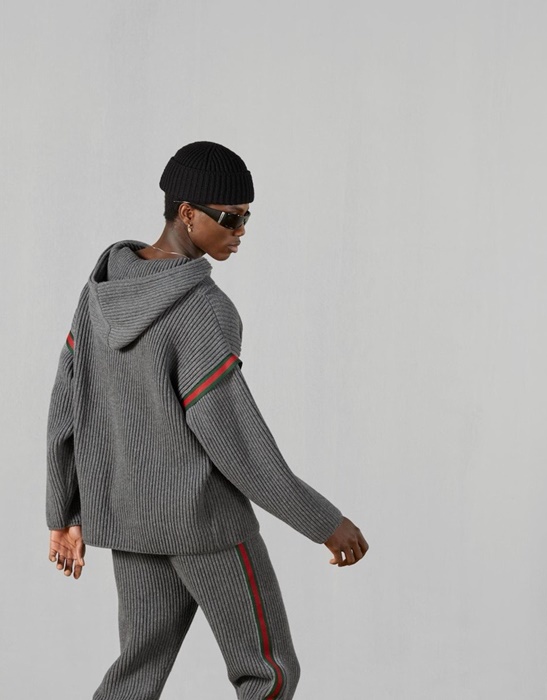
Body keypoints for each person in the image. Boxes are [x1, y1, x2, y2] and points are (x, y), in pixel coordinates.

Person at [45, 140, 369, 699]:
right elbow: (236, 441)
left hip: (131, 522)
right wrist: (323, 521)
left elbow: (65, 407)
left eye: (247, 217)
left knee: (136, 674)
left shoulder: (99, 293)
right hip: (206, 524)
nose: (241, 231)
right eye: (230, 218)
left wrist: (64, 511)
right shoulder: (203, 310)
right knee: (267, 673)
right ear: (187, 213)